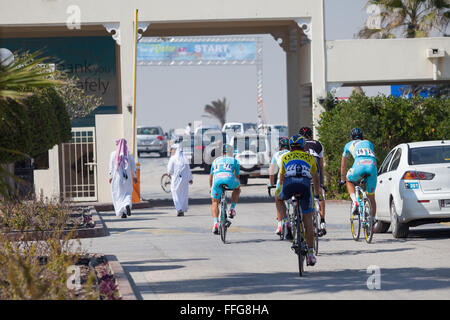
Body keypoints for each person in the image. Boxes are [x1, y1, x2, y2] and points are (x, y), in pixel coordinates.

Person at [276, 135, 321, 266]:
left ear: (290, 147)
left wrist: (282, 191)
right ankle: (311, 255)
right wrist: (317, 194)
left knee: (278, 198)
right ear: (303, 146)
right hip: (305, 186)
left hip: (289, 184)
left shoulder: (285, 157)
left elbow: (281, 178)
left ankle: (285, 222)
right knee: (308, 221)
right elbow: (316, 178)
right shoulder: (310, 158)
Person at [339, 128, 377, 219]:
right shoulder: (369, 143)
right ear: (362, 137)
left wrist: (342, 179)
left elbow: (343, 164)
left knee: (349, 180)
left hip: (359, 166)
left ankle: (355, 201)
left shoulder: (348, 145)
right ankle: (372, 221)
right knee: (371, 197)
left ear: (351, 138)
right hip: (372, 166)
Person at [299, 126, 327, 236]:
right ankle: (323, 221)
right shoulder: (318, 144)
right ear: (311, 135)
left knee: (301, 193)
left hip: (304, 171)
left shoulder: (299, 144)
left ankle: (301, 218)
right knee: (319, 194)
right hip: (315, 169)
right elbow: (321, 165)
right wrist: (322, 183)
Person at [209, 144, 241, 234]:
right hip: (229, 178)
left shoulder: (215, 160)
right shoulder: (235, 160)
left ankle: (215, 223)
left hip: (217, 181)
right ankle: (232, 209)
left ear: (222, 153)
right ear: (231, 153)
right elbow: (237, 177)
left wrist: (211, 187)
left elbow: (211, 177)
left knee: (215, 202)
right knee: (238, 188)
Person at [268, 136, 291, 238]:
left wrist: (271, 183)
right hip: (294, 179)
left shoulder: (276, 154)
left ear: (280, 146)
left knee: (278, 200)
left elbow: (272, 171)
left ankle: (280, 226)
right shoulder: (292, 153)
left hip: (281, 181)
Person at [109, 138, 137, 218]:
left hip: (117, 179)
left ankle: (122, 212)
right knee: (127, 193)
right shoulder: (129, 154)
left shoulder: (113, 154)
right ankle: (127, 205)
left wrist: (110, 176)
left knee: (118, 195)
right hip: (127, 179)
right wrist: (135, 176)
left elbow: (111, 167)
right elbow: (133, 167)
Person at [167, 144, 193, 217]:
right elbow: (188, 170)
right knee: (182, 194)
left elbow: (169, 170)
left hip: (176, 179)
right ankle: (181, 208)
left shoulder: (173, 159)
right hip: (185, 180)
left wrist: (170, 173)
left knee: (175, 192)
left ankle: (179, 209)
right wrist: (190, 179)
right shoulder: (185, 158)